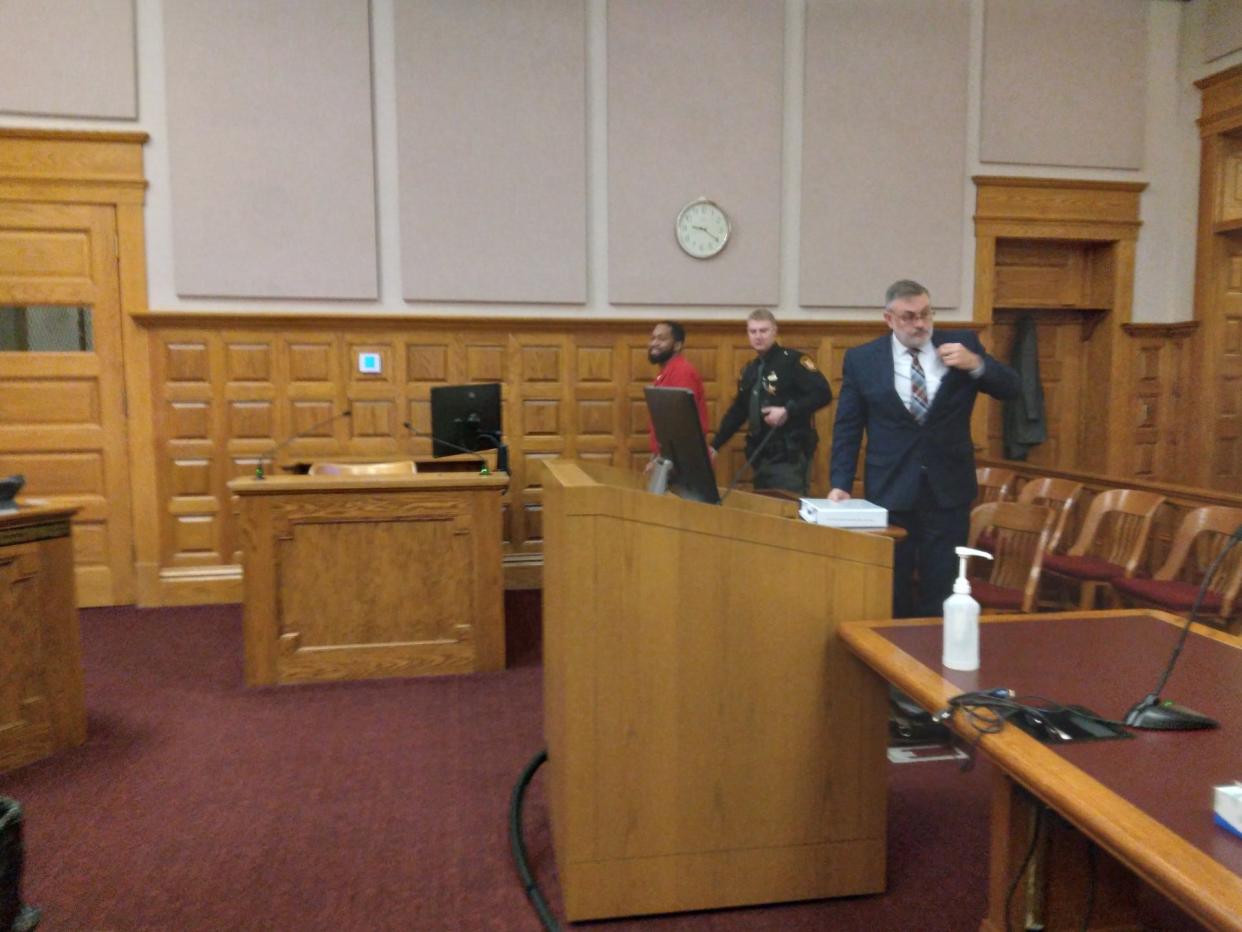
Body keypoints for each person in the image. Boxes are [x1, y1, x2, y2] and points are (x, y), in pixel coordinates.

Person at [828, 279, 1020, 618]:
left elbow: (1011, 387)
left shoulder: (963, 345)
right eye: (909, 316)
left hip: (947, 489)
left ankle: (933, 660)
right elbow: (847, 426)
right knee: (890, 586)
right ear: (888, 319)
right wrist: (840, 483)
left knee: (942, 585)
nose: (920, 324)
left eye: (926, 314)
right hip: (890, 489)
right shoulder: (863, 359)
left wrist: (976, 365)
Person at [711, 308, 832, 495]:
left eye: (763, 330)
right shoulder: (750, 370)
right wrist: (716, 444)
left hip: (789, 455)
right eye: (753, 331)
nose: (758, 336)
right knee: (766, 511)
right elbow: (739, 411)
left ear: (774, 331)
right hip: (760, 455)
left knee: (786, 510)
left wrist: (788, 411)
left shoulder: (793, 361)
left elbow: (823, 393)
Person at [646, 320, 710, 464]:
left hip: (684, 462)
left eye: (661, 339)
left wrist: (662, 461)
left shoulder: (682, 372)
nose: (654, 343)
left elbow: (681, 425)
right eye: (653, 338)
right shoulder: (666, 372)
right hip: (671, 459)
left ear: (677, 345)